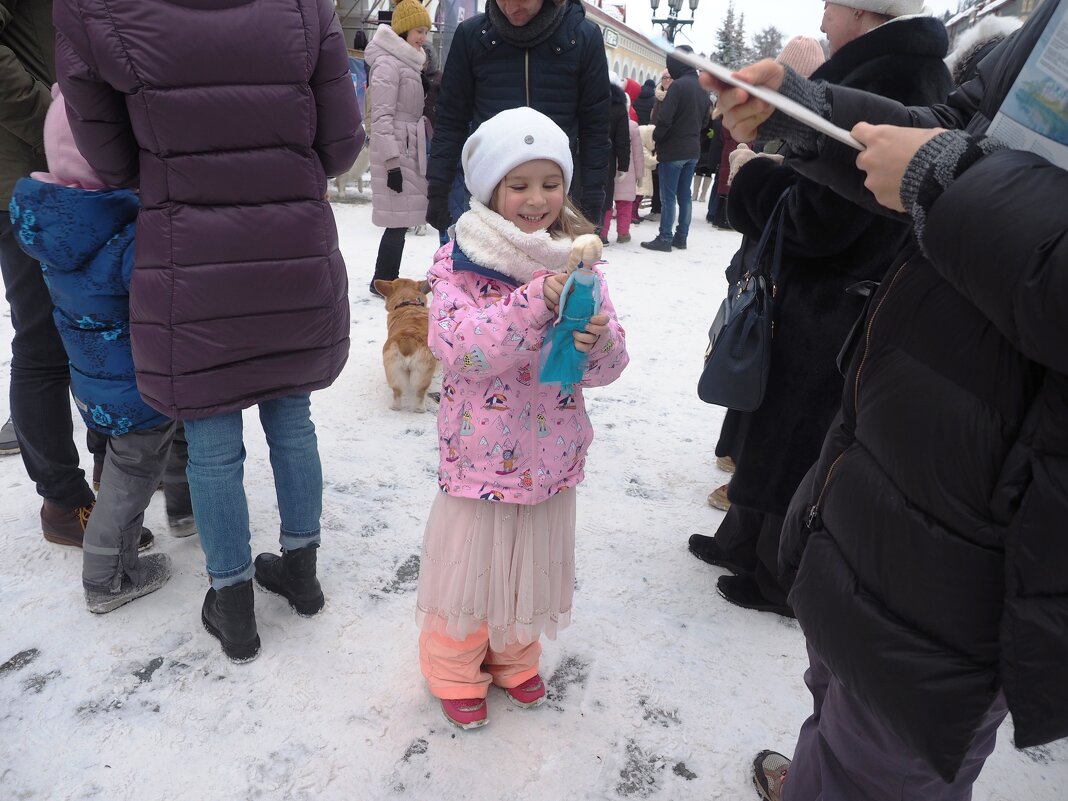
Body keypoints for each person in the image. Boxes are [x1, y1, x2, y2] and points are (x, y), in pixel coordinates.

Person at [714, 0, 1068, 797]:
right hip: (895, 429)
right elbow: (957, 127)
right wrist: (803, 114)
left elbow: (953, 159)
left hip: (998, 504)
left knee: (891, 745)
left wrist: (947, 177)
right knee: (840, 676)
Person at [55, 0, 363, 661]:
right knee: (292, 418)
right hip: (289, 245)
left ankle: (233, 606)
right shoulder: (306, 8)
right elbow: (340, 144)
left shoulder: (103, 12)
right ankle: (302, 573)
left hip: (189, 251)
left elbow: (110, 156)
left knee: (214, 438)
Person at [690, 3, 950, 620]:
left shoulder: (890, 74)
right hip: (823, 287)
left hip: (837, 290)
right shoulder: (887, 67)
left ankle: (779, 573)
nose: (824, 16)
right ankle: (744, 541)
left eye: (833, 5)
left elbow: (830, 217)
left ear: (863, 11)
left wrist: (753, 180)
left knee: (798, 433)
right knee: (772, 414)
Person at [416, 107, 629, 729]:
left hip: (551, 454)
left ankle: (513, 655)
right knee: (473, 567)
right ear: (489, 190)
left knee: (528, 564)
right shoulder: (457, 265)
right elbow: (463, 350)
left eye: (549, 183)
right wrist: (533, 301)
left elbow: (607, 366)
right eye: (519, 184)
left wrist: (598, 345)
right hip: (482, 456)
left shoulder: (579, 265)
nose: (537, 199)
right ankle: (454, 664)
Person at [9, 86, 195, 612]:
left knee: (130, 467)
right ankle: (106, 580)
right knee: (130, 476)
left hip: (96, 379)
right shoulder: (122, 230)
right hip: (138, 383)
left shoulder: (58, 223)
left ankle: (134, 552)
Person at [1, 0, 101, 544]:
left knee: (107, 327)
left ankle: (123, 474)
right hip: (30, 179)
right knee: (43, 342)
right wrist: (56, 120)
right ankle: (64, 502)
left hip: (87, 170)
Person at [424, 0, 611, 233]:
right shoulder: (471, 36)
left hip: (553, 198)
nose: (511, 8)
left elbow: (595, 127)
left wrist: (593, 195)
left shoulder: (583, 37)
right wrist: (438, 186)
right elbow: (451, 119)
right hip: (489, 197)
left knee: (553, 269)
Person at [366, 0, 431, 295]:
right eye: (419, 30)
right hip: (396, 152)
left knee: (400, 221)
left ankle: (384, 279)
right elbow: (380, 117)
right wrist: (391, 163)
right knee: (396, 222)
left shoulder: (407, 62)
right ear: (403, 29)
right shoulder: (388, 63)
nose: (423, 38)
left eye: (426, 32)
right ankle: (383, 281)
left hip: (407, 148)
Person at [641, 46, 710, 253]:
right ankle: (681, 237)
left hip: (673, 150)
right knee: (684, 195)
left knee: (668, 196)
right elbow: (706, 121)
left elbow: (664, 119)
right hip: (692, 150)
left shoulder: (678, 87)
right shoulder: (702, 87)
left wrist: (656, 138)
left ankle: (664, 237)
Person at [602, 108, 643, 244]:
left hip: (609, 169)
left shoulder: (606, 122)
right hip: (628, 174)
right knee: (625, 204)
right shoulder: (633, 126)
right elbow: (638, 154)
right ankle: (623, 233)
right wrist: (640, 175)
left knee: (606, 204)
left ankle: (603, 233)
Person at [600, 72, 631, 244]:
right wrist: (623, 166)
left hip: (584, 154)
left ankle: (581, 231)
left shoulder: (590, 100)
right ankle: (601, 234)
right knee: (605, 195)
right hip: (608, 158)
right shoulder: (619, 107)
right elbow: (622, 139)